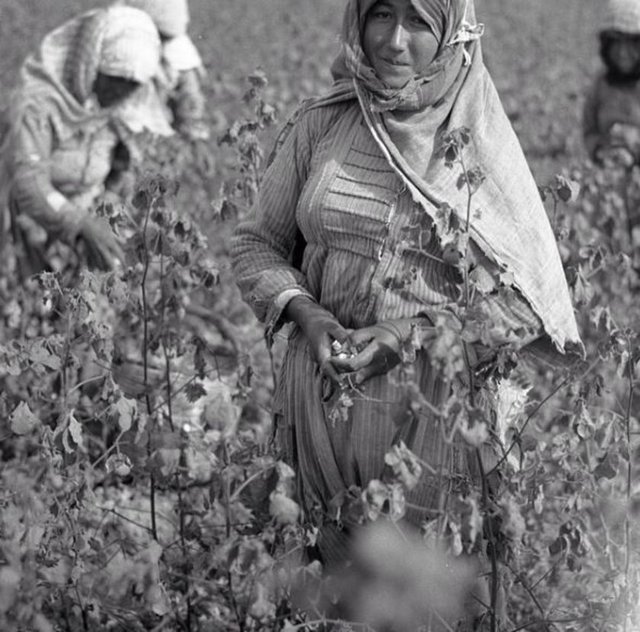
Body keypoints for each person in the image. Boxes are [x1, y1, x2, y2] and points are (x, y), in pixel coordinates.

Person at [232, 0, 581, 624]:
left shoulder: (477, 146)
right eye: (381, 15)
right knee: (322, 589)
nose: (394, 42)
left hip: (435, 422)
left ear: (451, 34)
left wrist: (407, 333)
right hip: (320, 407)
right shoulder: (323, 125)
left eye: (420, 23)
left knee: (426, 604)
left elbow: (527, 305)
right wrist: (306, 313)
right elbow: (257, 242)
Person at [0, 6, 162, 275]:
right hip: (22, 224)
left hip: (82, 224)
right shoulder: (38, 105)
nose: (122, 91)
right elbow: (29, 182)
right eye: (116, 79)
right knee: (28, 301)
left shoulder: (119, 104)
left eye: (132, 84)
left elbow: (123, 165)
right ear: (92, 62)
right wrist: (80, 223)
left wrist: (107, 204)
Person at [114, 0, 210, 141]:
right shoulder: (127, 41)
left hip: (160, 22)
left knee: (187, 86)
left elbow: (188, 87)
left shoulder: (176, 48)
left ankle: (186, 121)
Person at [583, 0, 640, 167]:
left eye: (632, 45)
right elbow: (589, 130)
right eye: (616, 44)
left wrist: (633, 150)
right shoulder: (601, 84)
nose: (623, 53)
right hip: (608, 174)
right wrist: (600, 151)